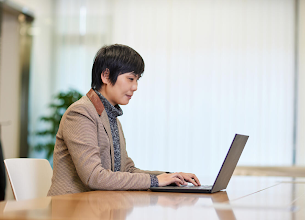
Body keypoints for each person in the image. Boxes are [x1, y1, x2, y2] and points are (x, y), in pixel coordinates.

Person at [48, 44, 201, 196]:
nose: (135, 87)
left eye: (137, 79)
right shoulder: (81, 113)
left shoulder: (110, 116)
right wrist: (155, 181)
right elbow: (93, 176)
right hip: (71, 208)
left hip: (99, 206)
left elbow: (126, 170)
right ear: (106, 76)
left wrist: (171, 176)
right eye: (130, 78)